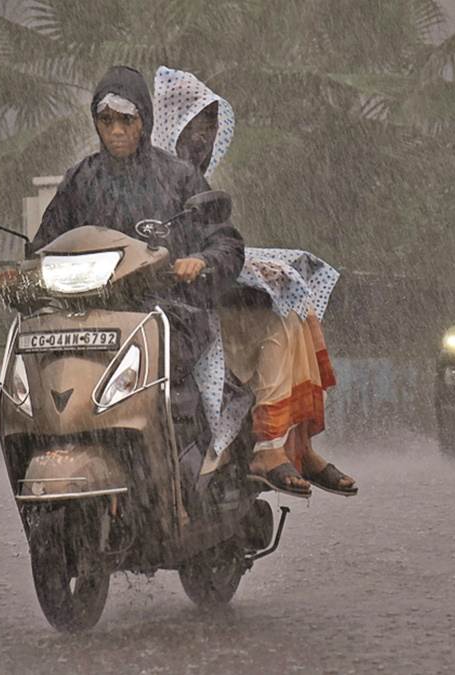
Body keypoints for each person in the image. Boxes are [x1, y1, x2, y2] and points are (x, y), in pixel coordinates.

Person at [151, 67, 357, 498]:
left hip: (201, 299)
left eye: (211, 123)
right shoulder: (135, 177)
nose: (204, 135)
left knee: (294, 304)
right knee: (282, 321)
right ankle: (272, 446)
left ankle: (296, 444)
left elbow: (219, 242)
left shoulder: (192, 181)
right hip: (165, 312)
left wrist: (230, 263)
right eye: (195, 122)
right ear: (169, 121)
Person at [29, 65, 245, 418]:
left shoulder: (179, 177)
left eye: (126, 120)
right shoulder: (80, 180)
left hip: (168, 313)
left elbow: (227, 243)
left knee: (168, 384)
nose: (116, 130)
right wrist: (25, 273)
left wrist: (201, 262)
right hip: (85, 319)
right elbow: (44, 245)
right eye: (106, 119)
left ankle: (175, 442)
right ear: (95, 122)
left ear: (144, 120)